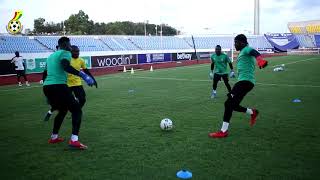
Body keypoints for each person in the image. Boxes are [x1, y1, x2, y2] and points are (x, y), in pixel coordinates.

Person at [209, 34, 268, 138]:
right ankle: (252, 112)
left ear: (242, 43)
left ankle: (223, 131)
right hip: (243, 82)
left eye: (236, 42)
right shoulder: (242, 52)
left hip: (245, 82)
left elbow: (254, 52)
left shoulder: (246, 49)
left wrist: (260, 60)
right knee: (232, 105)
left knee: (228, 104)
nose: (234, 44)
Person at [43, 37, 95, 149]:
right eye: (69, 44)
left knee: (62, 111)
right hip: (59, 85)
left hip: (47, 87)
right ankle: (74, 141)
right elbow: (66, 66)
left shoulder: (51, 56)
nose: (70, 47)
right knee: (77, 110)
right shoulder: (66, 53)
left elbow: (45, 74)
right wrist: (83, 75)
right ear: (66, 44)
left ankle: (54, 137)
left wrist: (47, 95)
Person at [43, 45, 97, 121]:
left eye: (78, 51)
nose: (77, 53)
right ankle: (50, 112)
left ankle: (75, 112)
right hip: (66, 84)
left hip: (77, 83)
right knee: (61, 103)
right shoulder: (66, 59)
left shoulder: (81, 60)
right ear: (71, 52)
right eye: (75, 51)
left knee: (82, 99)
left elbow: (86, 71)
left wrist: (93, 79)